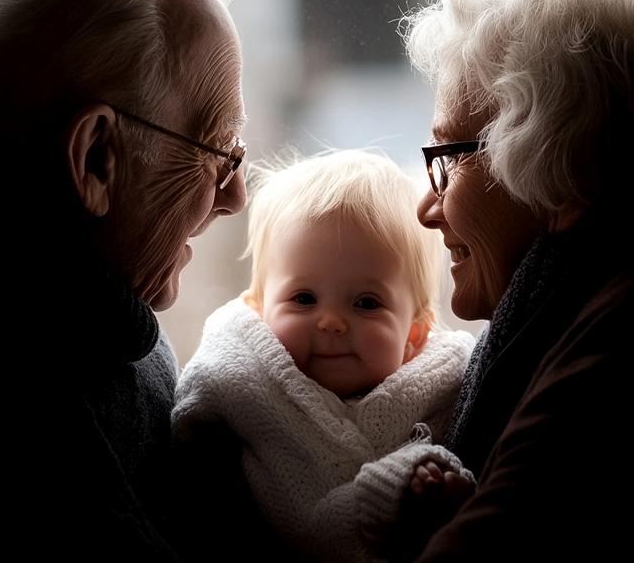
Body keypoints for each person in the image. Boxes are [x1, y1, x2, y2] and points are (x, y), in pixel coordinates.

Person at [0, 0, 247, 558]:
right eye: (219, 152)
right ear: (95, 159)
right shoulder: (16, 418)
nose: (235, 196)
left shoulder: (85, 318)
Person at [388, 0, 634, 557]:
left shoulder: (631, 340)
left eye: (449, 159)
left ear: (558, 166)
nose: (426, 208)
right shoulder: (600, 295)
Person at [171, 150, 475, 561]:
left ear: (414, 335)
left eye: (366, 303)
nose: (331, 322)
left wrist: (434, 491)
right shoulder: (242, 383)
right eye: (303, 298)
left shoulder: (446, 389)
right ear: (260, 311)